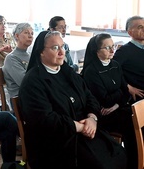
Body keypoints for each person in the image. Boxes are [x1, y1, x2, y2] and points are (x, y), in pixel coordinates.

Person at [19, 30, 127, 169]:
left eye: (63, 46)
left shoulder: (68, 72)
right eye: (55, 48)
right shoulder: (33, 82)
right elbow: (45, 120)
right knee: (100, 165)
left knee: (119, 154)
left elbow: (90, 98)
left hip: (84, 132)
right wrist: (81, 127)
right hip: (56, 141)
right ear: (41, 52)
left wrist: (92, 118)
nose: (61, 52)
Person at [81, 33, 137, 169]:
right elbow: (104, 100)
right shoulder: (91, 71)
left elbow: (126, 92)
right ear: (97, 51)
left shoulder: (116, 65)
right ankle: (133, 163)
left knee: (137, 118)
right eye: (107, 48)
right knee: (132, 124)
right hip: (103, 115)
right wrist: (120, 94)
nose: (113, 51)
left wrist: (117, 104)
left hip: (117, 109)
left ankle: (138, 158)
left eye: (113, 46)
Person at [113, 15, 144, 103]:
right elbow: (112, 71)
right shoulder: (124, 51)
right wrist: (127, 87)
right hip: (138, 97)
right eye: (140, 27)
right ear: (130, 32)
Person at [2, 23, 33, 98]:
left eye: (32, 33)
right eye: (26, 33)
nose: (30, 36)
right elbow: (25, 83)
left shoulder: (31, 54)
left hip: (34, 95)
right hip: (22, 98)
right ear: (17, 36)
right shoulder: (11, 58)